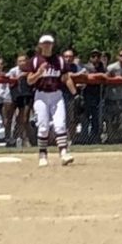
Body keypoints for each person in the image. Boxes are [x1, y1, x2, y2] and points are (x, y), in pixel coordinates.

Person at [25, 35, 78, 167]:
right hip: (41, 96)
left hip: (56, 95)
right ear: (40, 45)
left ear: (53, 45)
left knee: (60, 124)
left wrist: (75, 94)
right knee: (43, 126)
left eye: (49, 43)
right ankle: (43, 154)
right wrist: (39, 73)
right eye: (44, 43)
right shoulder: (35, 61)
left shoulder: (59, 60)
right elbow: (29, 80)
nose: (47, 45)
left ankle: (64, 152)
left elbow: (66, 78)